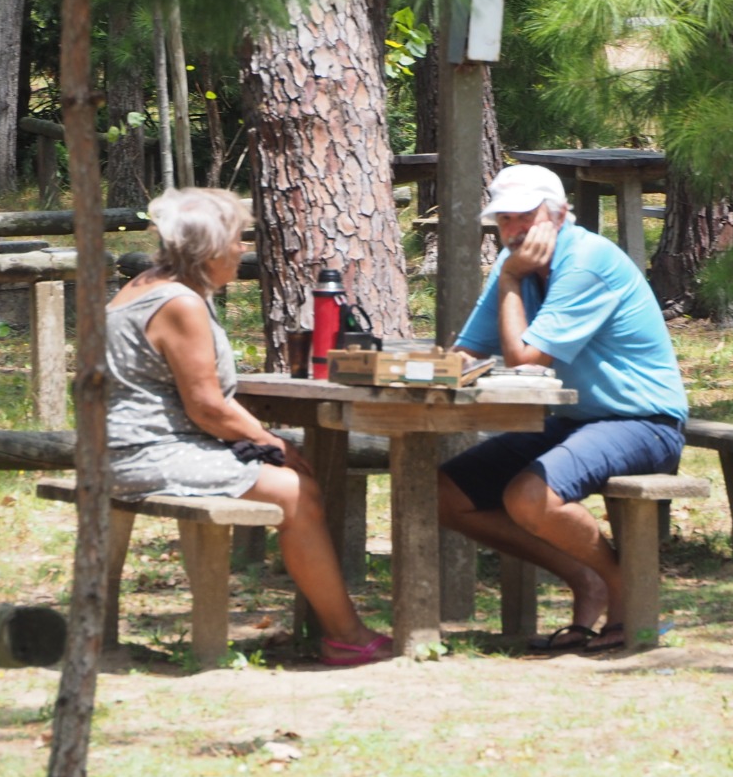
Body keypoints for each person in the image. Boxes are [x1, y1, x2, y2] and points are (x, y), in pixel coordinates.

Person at [105, 186, 391, 666]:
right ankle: (345, 635)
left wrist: (262, 440)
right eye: (238, 238)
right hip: (145, 452)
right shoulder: (180, 303)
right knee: (294, 490)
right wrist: (270, 441)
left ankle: (337, 627)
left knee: (294, 480)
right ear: (210, 249)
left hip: (127, 447)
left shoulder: (152, 284)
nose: (242, 249)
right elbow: (207, 408)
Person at [439, 164, 689, 654]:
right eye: (504, 219)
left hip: (643, 422)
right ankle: (587, 578)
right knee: (444, 493)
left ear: (560, 215)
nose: (514, 230)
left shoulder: (586, 261)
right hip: (572, 420)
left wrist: (511, 279)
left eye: (525, 216)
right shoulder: (514, 264)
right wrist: (411, 369)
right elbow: (468, 351)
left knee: (530, 497)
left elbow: (525, 358)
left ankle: (624, 588)